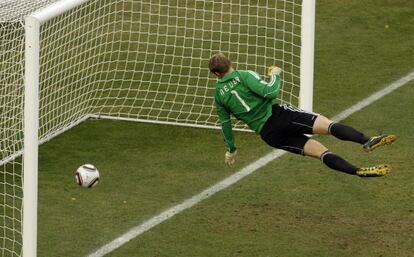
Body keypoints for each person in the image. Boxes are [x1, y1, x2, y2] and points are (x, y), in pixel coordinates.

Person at [209, 52, 396, 177]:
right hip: (279, 116)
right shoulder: (244, 75)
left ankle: (357, 171)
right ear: (229, 64)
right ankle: (366, 140)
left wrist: (232, 150)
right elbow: (270, 92)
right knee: (329, 126)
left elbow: (225, 125)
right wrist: (275, 74)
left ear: (216, 74)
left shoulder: (219, 95)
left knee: (321, 153)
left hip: (269, 135)